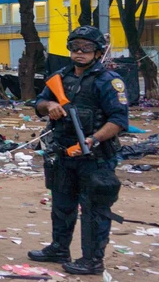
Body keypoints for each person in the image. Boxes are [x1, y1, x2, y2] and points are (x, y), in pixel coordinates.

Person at [28, 26, 128, 275]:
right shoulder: (60, 78)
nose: (80, 52)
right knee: (62, 204)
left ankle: (92, 260)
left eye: (86, 48)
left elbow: (118, 120)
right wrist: (49, 104)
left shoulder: (108, 81)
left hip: (95, 157)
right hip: (63, 152)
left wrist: (93, 139)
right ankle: (59, 248)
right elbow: (38, 103)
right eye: (75, 47)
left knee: (94, 209)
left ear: (97, 51)